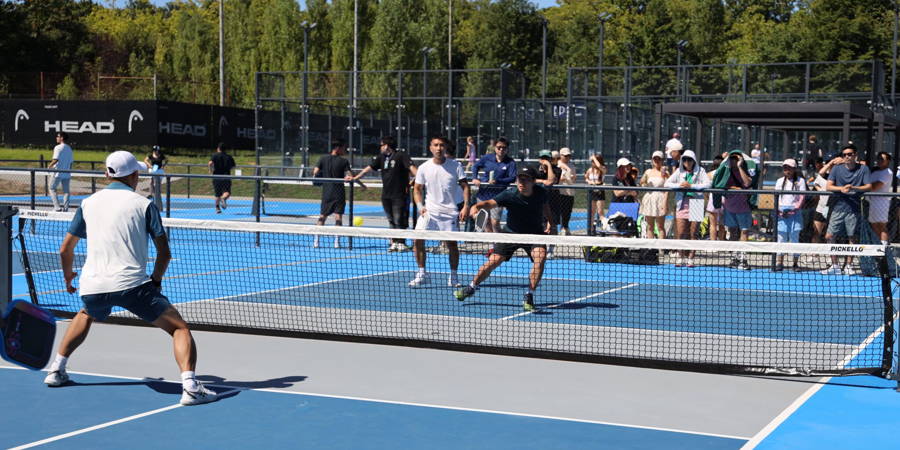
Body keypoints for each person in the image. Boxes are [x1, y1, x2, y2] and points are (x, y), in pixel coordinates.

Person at [46, 150, 217, 406]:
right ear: (135, 175)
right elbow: (164, 253)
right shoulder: (144, 204)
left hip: (92, 285)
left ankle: (56, 369)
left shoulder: (88, 203)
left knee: (85, 314)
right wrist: (156, 281)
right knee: (179, 328)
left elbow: (65, 249)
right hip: (133, 286)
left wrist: (68, 277)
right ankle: (191, 387)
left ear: (106, 174)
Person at [454, 165, 552, 312]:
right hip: (511, 233)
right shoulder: (509, 194)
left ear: (533, 181)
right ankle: (471, 287)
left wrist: (551, 222)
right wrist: (476, 206)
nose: (521, 183)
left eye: (525, 180)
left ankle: (529, 295)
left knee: (541, 257)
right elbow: (489, 203)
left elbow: (545, 207)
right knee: (494, 261)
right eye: (519, 179)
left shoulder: (541, 193)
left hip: (534, 234)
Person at [409, 136, 470, 288]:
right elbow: (417, 189)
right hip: (429, 212)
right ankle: (422, 273)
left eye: (441, 145)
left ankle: (454, 277)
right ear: (430, 147)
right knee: (417, 241)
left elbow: (465, 187)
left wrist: (466, 206)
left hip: (450, 213)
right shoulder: (423, 167)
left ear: (445, 148)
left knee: (452, 245)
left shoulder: (455, 166)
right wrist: (419, 206)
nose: (438, 148)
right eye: (435, 145)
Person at [350, 136, 417, 251]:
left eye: (381, 145)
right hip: (386, 195)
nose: (380, 147)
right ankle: (394, 242)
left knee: (399, 219)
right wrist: (355, 177)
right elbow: (369, 168)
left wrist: (416, 180)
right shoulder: (381, 157)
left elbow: (414, 170)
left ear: (387, 146)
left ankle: (401, 242)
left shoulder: (401, 155)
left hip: (399, 195)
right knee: (391, 220)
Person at [821, 144, 872, 275]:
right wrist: (842, 189)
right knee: (829, 236)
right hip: (838, 206)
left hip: (854, 208)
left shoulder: (864, 169)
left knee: (852, 237)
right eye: (845, 155)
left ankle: (849, 265)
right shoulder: (836, 169)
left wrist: (855, 188)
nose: (847, 157)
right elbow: (829, 186)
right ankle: (835, 265)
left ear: (855, 155)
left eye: (850, 154)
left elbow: (868, 186)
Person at [313, 140, 362, 248]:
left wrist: (320, 175)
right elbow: (350, 175)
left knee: (322, 216)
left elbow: (315, 172)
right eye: (343, 148)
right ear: (337, 148)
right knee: (338, 217)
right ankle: (337, 242)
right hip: (339, 193)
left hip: (327, 193)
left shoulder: (322, 159)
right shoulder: (344, 161)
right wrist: (358, 182)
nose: (345, 150)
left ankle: (316, 241)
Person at [665, 150, 710, 267]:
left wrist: (692, 186)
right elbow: (667, 183)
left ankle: (691, 258)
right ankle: (680, 257)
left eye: (689, 160)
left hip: (696, 204)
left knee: (693, 233)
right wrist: (679, 185)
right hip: (682, 204)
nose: (687, 162)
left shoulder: (701, 171)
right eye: (684, 160)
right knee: (680, 233)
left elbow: (708, 184)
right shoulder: (678, 172)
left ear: (694, 160)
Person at [711, 150, 753, 270]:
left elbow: (747, 183)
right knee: (733, 232)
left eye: (737, 158)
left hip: (743, 208)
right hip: (729, 208)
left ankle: (743, 259)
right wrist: (731, 188)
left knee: (744, 232)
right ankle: (735, 257)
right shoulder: (725, 171)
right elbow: (719, 184)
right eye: (732, 158)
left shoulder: (744, 170)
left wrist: (740, 167)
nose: (734, 160)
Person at [471, 137, 517, 233]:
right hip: (483, 194)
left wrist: (498, 181)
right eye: (499, 147)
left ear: (507, 149)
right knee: (485, 222)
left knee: (495, 222)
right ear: (495, 148)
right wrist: (475, 178)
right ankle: (492, 245)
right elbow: (475, 166)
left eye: (504, 148)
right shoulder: (487, 158)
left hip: (498, 197)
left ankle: (500, 243)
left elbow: (512, 177)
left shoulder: (510, 162)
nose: (501, 150)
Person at [773, 159, 807, 271]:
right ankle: (779, 263)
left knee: (794, 238)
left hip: (795, 213)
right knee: (781, 238)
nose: (787, 170)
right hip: (781, 213)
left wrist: (794, 210)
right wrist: (779, 210)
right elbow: (776, 198)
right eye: (785, 168)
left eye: (789, 168)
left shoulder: (801, 181)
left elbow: (802, 198)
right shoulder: (779, 181)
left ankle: (795, 264)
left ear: (794, 169)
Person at [639, 151, 668, 239]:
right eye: (655, 159)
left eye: (659, 159)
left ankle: (661, 250)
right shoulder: (648, 171)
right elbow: (642, 182)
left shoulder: (665, 172)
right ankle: (651, 249)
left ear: (662, 160)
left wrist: (665, 203)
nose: (657, 161)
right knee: (650, 226)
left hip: (660, 198)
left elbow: (667, 189)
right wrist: (643, 182)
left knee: (660, 227)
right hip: (649, 198)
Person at [868, 152, 893, 246]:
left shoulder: (888, 173)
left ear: (888, 161)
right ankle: (877, 247)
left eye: (882, 159)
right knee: (874, 225)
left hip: (881, 203)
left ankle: (884, 249)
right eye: (878, 159)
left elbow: (875, 186)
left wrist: (863, 186)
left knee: (881, 226)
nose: (879, 161)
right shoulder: (875, 171)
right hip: (872, 202)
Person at [208, 142, 236, 214]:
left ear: (218, 148)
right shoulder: (229, 157)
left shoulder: (214, 155)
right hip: (226, 177)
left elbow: (210, 163)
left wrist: (210, 170)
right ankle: (223, 198)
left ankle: (217, 208)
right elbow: (233, 166)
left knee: (217, 194)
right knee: (227, 192)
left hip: (216, 177)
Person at [49, 131, 74, 212]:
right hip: (66, 174)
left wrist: (49, 166)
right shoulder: (69, 148)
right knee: (66, 192)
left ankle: (57, 207)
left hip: (58, 173)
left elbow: (55, 159)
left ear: (62, 138)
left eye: (58, 136)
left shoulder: (58, 147)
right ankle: (65, 209)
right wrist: (68, 172)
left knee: (52, 188)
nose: (56, 138)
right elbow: (71, 163)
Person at [555, 147, 577, 235]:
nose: (567, 158)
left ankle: (565, 226)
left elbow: (573, 177)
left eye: (569, 156)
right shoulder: (558, 165)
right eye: (565, 156)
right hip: (560, 191)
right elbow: (558, 178)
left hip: (570, 191)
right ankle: (558, 228)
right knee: (559, 211)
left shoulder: (571, 166)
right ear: (561, 156)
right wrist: (565, 177)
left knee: (568, 211)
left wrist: (569, 177)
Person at [705, 155, 726, 241]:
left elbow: (705, 190)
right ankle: (721, 243)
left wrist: (708, 197)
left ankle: (713, 245)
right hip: (724, 199)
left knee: (712, 225)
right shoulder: (725, 174)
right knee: (722, 225)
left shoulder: (709, 174)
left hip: (713, 199)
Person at [585, 154, 607, 225]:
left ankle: (604, 227)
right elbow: (586, 177)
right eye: (592, 161)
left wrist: (594, 157)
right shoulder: (590, 170)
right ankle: (590, 229)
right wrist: (589, 181)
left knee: (600, 212)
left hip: (599, 191)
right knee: (591, 212)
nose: (593, 163)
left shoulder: (603, 169)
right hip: (592, 190)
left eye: (594, 161)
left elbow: (599, 166)